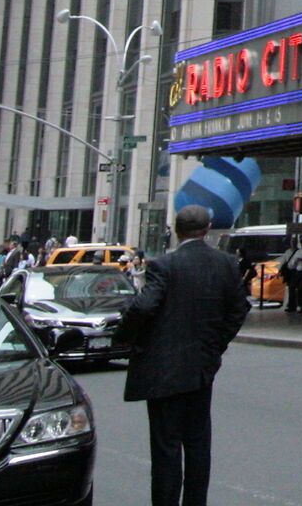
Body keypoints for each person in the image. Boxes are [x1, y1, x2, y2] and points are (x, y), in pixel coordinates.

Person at [120, 204, 250, 506]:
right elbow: (239, 309)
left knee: (166, 447)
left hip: (164, 370)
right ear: (206, 230)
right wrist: (216, 345)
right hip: (202, 367)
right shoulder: (227, 264)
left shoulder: (164, 265)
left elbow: (143, 307)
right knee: (197, 443)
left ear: (178, 232)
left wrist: (126, 336)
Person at [279, 239, 302, 317]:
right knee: (292, 287)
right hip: (298, 271)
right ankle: (292, 306)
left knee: (301, 288)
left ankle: (301, 306)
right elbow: (293, 262)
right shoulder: (298, 252)